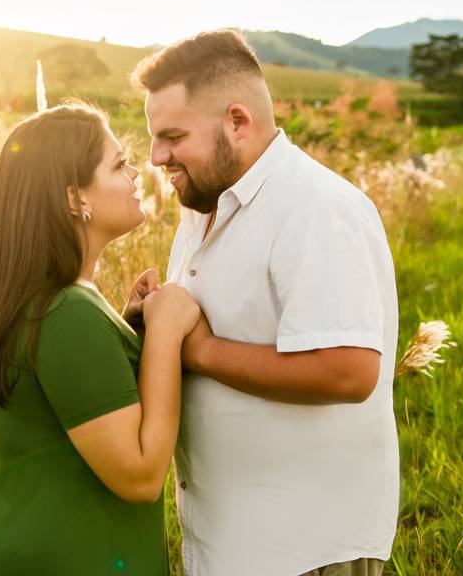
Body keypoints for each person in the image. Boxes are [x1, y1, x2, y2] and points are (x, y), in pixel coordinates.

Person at [130, 30, 400, 576]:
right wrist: (152, 325)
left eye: (173, 136)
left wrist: (200, 350)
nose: (156, 156)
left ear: (238, 121)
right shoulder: (206, 205)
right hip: (232, 544)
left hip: (305, 550)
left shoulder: (314, 207)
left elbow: (348, 371)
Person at [0, 103, 200, 574]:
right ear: (74, 198)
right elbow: (140, 474)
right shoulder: (68, 311)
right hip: (68, 556)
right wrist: (166, 336)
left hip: (29, 546)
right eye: (117, 164)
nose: (136, 173)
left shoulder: (53, 298)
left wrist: (131, 333)